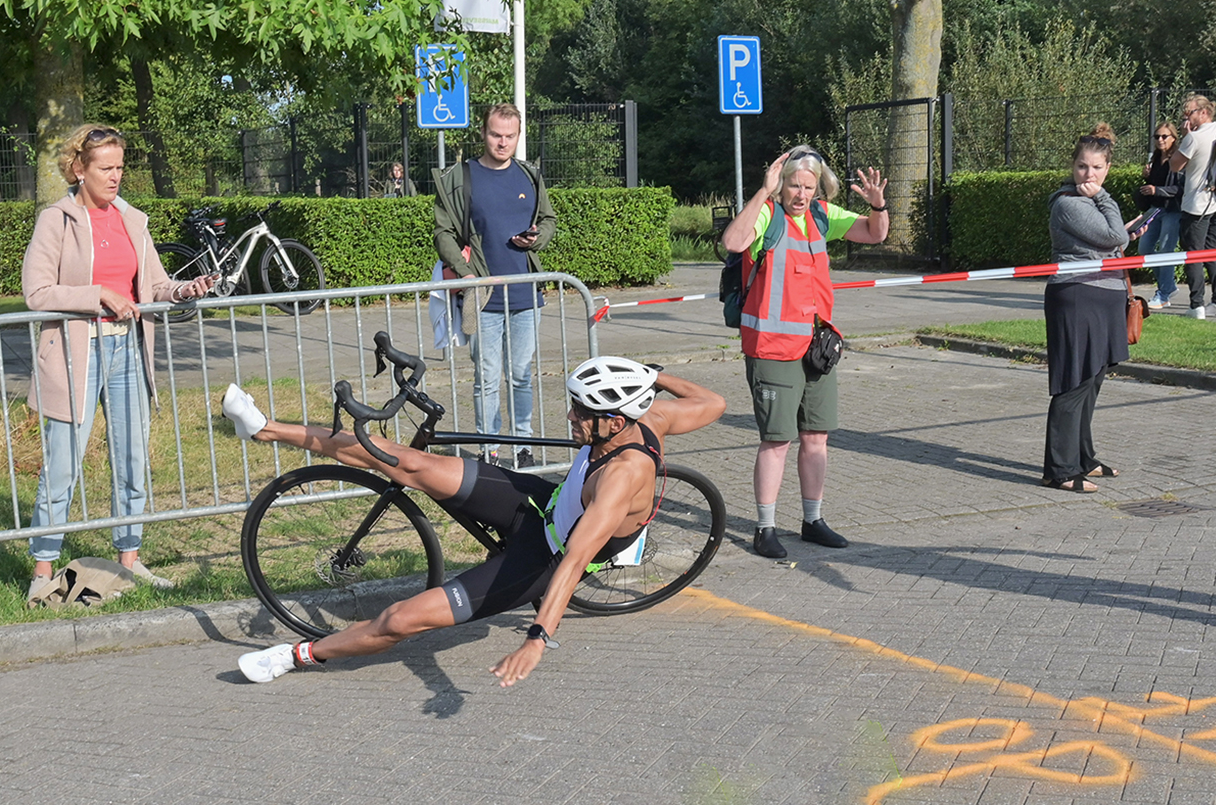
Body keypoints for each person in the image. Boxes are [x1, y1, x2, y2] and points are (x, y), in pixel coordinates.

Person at [227, 357, 726, 686]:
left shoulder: (623, 475)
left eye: (581, 411)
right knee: (403, 460)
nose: (571, 417)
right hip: (542, 505)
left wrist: (537, 639)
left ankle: (295, 656)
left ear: (614, 422)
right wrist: (650, 375)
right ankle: (265, 429)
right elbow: (714, 403)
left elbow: (574, 562)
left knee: (401, 619)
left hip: (545, 558)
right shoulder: (646, 416)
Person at [20, 124, 216, 600]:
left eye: (120, 167)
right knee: (62, 466)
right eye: (105, 168)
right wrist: (98, 296)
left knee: (132, 461)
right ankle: (43, 572)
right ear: (78, 169)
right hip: (75, 355)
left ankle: (129, 562)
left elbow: (153, 285)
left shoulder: (132, 219)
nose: (115, 176)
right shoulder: (56, 220)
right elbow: (37, 292)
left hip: (129, 349)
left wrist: (183, 290)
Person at [720, 146, 889, 559]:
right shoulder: (768, 215)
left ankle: (812, 520)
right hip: (771, 349)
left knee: (816, 438)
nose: (801, 194)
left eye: (809, 187)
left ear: (818, 188)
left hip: (816, 349)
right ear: (782, 185)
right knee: (776, 440)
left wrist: (878, 205)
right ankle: (765, 528)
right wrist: (764, 191)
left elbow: (875, 233)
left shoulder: (821, 216)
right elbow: (733, 241)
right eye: (794, 185)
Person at [433, 104, 556, 470]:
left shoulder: (530, 175)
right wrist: (464, 272)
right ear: (483, 133)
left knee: (521, 376)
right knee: (486, 378)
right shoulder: (460, 177)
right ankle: (490, 449)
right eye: (495, 135)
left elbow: (548, 220)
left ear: (518, 136)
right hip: (482, 297)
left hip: (525, 294)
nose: (503, 142)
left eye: (510, 136)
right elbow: (443, 233)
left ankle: (523, 445)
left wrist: (536, 238)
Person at [1042, 125, 1148, 493]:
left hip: (1104, 296)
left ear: (1108, 168)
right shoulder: (1068, 203)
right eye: (1083, 166)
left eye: (1097, 168)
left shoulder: (1092, 203)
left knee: (1093, 380)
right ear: (1072, 166)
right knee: (1074, 381)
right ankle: (1059, 470)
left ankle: (1083, 458)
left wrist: (1124, 234)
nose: (1089, 174)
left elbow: (1112, 241)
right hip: (1077, 296)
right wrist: (1105, 200)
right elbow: (1112, 236)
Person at [1168, 95, 1216, 318]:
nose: (1186, 117)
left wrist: (1185, 136)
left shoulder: (1194, 137)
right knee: (1213, 250)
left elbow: (1175, 166)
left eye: (1189, 113)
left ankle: (1196, 305)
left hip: (1197, 204)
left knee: (1193, 254)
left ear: (1204, 112)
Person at [1134, 121, 1185, 309]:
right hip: (1154, 210)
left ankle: (1163, 293)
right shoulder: (1155, 158)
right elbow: (1152, 185)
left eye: (1164, 136)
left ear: (1173, 138)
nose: (1160, 140)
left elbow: (1180, 188)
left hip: (1172, 210)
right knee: (1144, 249)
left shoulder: (1179, 159)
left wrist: (1157, 190)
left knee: (1165, 251)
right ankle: (1169, 285)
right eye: (1157, 137)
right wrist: (1147, 177)